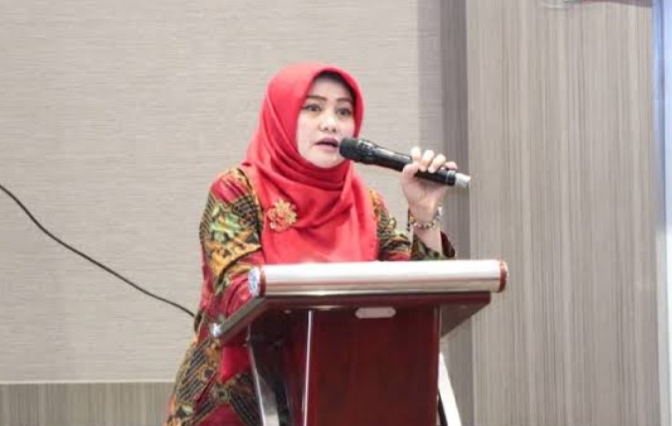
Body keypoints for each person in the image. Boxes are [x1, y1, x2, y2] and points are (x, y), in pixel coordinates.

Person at [163, 62, 457, 426]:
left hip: (340, 401)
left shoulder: (368, 206)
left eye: (343, 112)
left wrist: (424, 214)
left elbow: (419, 303)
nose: (331, 123)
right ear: (282, 117)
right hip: (240, 405)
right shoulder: (237, 191)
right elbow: (240, 297)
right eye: (313, 108)